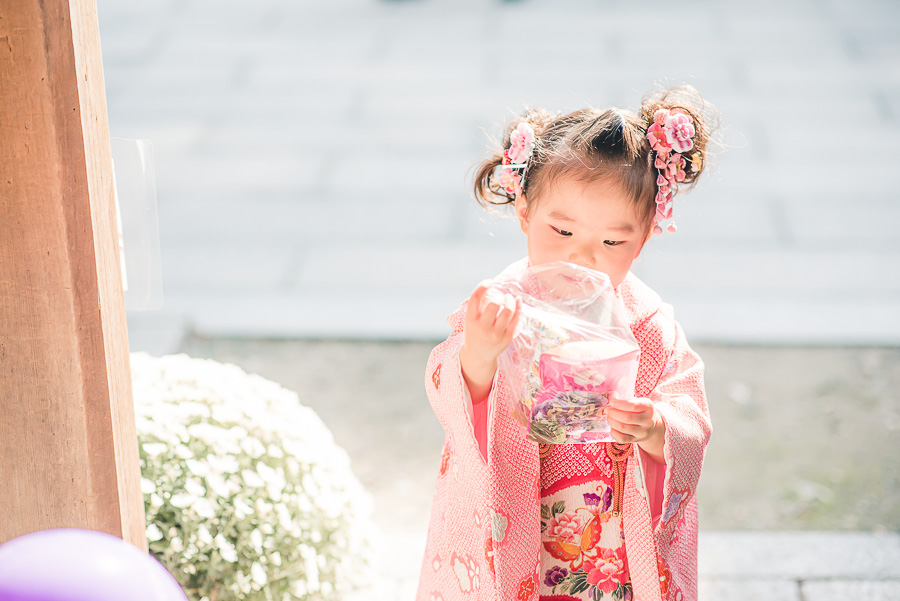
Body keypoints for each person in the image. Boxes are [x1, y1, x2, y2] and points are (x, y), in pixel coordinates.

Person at [416, 84, 718, 601]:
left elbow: (688, 406)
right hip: (518, 517)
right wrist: (480, 356)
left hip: (609, 537)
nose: (582, 257)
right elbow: (451, 393)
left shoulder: (648, 323)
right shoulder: (501, 308)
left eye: (611, 241)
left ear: (645, 235)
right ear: (525, 212)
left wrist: (656, 425)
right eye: (561, 230)